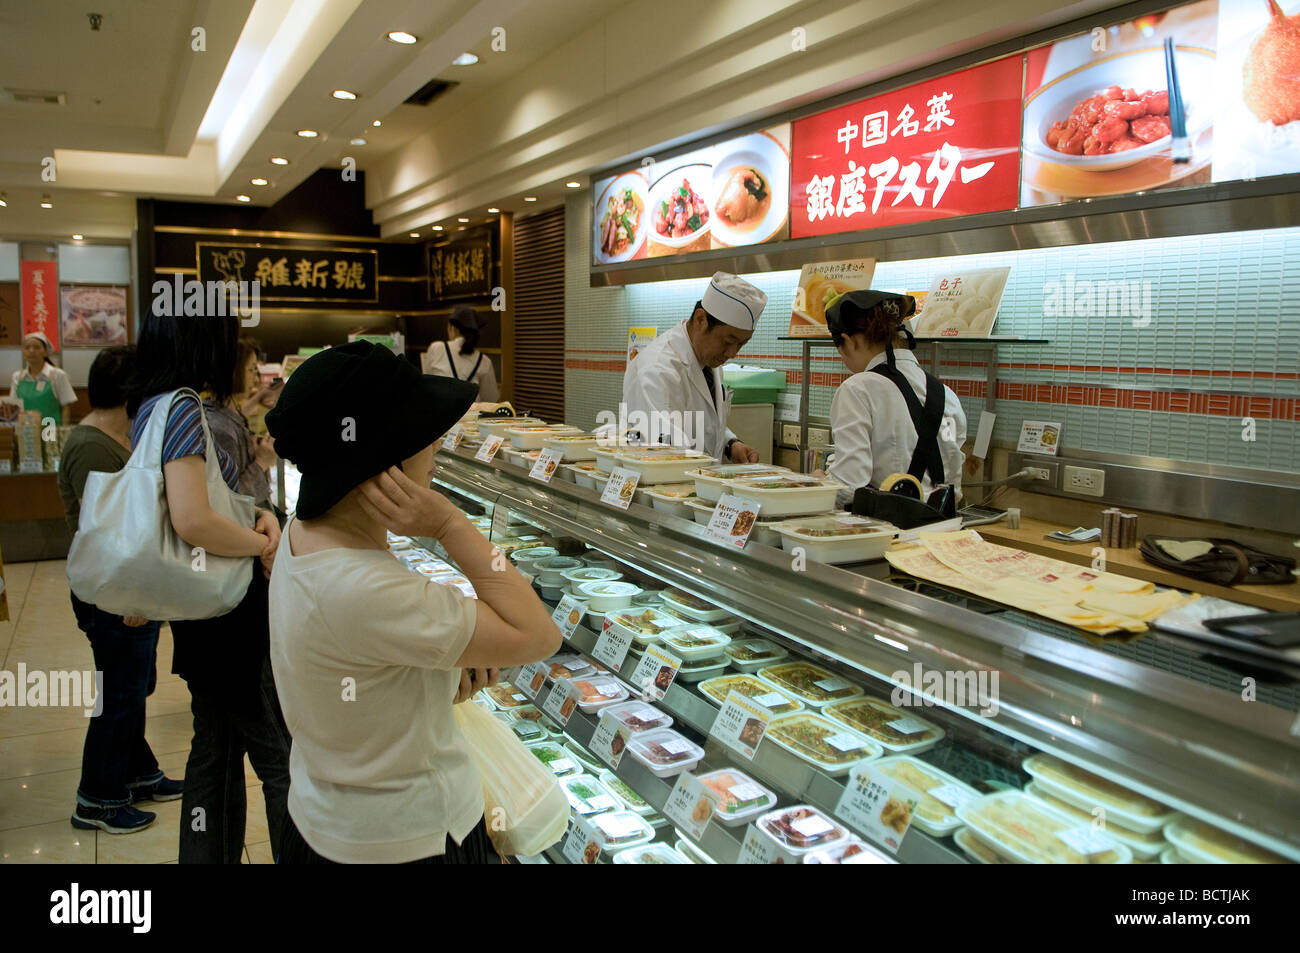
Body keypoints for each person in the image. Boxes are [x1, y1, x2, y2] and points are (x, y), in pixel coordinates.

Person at [265, 342, 561, 863]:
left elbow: (359, 672)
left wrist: (437, 678)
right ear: (383, 462)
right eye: (426, 438)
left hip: (325, 821)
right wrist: (450, 523)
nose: (437, 454)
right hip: (407, 840)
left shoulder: (304, 536)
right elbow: (539, 634)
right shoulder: (364, 585)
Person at [128, 311, 289, 864]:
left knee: (215, 754)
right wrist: (262, 543)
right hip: (231, 615)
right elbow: (194, 520)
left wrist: (256, 520)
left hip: (202, 613)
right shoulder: (185, 411)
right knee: (280, 760)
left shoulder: (153, 408)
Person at [59, 346, 179, 834]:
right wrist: (132, 596)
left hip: (127, 585)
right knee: (120, 691)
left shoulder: (114, 435)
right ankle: (98, 799)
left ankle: (135, 770)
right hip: (113, 590)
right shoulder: (91, 445)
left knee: (133, 684)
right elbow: (105, 532)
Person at [823, 290, 967, 504]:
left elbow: (848, 487)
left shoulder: (857, 389)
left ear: (849, 341)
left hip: (885, 531)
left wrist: (820, 483)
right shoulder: (947, 395)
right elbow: (951, 470)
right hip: (941, 530)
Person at [622, 272, 767, 461]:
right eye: (728, 341)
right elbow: (662, 450)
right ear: (700, 320)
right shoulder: (656, 369)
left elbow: (699, 422)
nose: (732, 353)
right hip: (660, 485)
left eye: (741, 344)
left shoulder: (708, 361)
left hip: (694, 484)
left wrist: (730, 443)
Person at [423, 305, 499, 401]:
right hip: (472, 415)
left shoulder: (436, 348)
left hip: (441, 413)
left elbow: (426, 386)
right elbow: (490, 399)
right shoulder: (484, 361)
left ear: (453, 328)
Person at [9, 331, 77, 425]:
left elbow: (66, 407)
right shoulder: (17, 377)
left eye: (37, 347)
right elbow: (13, 406)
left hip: (50, 432)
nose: (31, 351)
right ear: (23, 353)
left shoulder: (58, 375)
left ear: (46, 352)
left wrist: (63, 433)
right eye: (27, 347)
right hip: (26, 432)